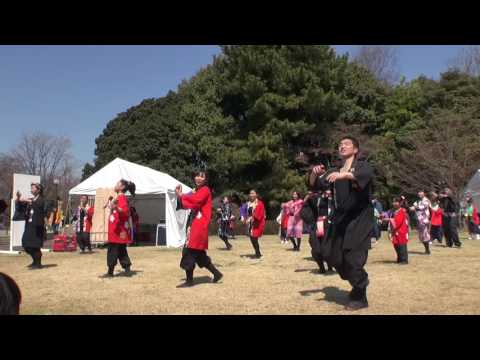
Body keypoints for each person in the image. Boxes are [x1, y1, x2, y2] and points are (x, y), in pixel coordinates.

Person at [313, 136, 374, 311]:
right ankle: (358, 282)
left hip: (359, 218)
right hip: (340, 219)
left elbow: (366, 176)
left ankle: (360, 294)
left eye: (346, 144)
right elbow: (316, 184)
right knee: (331, 254)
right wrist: (314, 173)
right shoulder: (334, 170)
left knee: (353, 258)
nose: (342, 146)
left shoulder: (362, 166)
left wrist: (347, 175)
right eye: (340, 144)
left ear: (355, 150)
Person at [176, 171, 223, 287]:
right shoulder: (195, 191)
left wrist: (182, 196)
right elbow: (186, 204)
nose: (199, 178)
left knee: (189, 251)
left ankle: (189, 280)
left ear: (205, 179)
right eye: (197, 175)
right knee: (199, 254)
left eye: (202, 176)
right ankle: (216, 273)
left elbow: (195, 201)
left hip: (199, 224)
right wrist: (179, 195)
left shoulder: (205, 190)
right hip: (194, 223)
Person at [102, 179, 136, 278]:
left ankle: (110, 272)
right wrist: (110, 204)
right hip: (116, 228)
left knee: (113, 249)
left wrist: (115, 207)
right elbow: (116, 209)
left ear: (122, 187)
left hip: (117, 230)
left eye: (117, 183)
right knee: (121, 249)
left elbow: (125, 211)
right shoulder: (118, 197)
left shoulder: (122, 198)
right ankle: (127, 268)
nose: (115, 185)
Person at [16, 183, 46, 269]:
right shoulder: (31, 200)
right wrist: (18, 199)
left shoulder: (41, 200)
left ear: (38, 190)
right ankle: (34, 261)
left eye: (33, 188)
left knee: (35, 245)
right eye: (31, 188)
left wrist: (30, 201)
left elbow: (39, 207)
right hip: (29, 225)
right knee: (26, 243)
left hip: (37, 225)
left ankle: (38, 263)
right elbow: (20, 208)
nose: (31, 189)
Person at [389, 197, 409, 264]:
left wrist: (389, 219)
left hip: (401, 231)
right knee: (396, 245)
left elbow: (397, 222)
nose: (394, 203)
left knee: (402, 245)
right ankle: (399, 258)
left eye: (396, 202)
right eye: (393, 202)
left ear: (400, 203)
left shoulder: (402, 211)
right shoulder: (394, 211)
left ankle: (404, 260)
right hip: (396, 231)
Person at [247, 189, 266, 258]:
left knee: (254, 238)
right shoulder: (248, 203)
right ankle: (257, 253)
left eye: (253, 193)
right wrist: (244, 217)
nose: (251, 195)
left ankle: (258, 254)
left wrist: (253, 218)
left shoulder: (259, 203)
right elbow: (246, 212)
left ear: (256, 194)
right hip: (251, 224)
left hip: (257, 224)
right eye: (250, 193)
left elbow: (260, 214)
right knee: (252, 239)